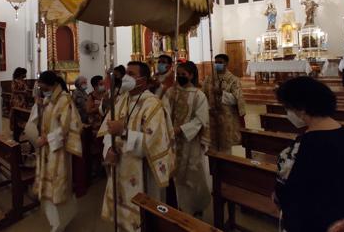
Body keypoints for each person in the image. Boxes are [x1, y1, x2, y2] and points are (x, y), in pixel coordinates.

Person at [274, 77, 344, 232]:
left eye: (287, 107)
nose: (287, 112)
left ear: (301, 108)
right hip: (339, 220)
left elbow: (287, 192)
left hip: (308, 222)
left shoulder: (301, 146)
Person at [98, 61, 174, 232]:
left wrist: (124, 132)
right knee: (121, 215)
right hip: (119, 164)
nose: (126, 77)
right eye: (126, 73)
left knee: (143, 219)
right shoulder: (121, 100)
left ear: (143, 80)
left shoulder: (153, 104)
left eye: (131, 74)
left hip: (142, 170)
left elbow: (154, 142)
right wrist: (108, 149)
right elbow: (107, 130)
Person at [26, 71, 83, 232]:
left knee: (58, 186)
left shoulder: (65, 100)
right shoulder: (47, 99)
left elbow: (69, 127)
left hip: (58, 150)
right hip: (46, 150)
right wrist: (38, 104)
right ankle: (55, 220)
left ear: (52, 85)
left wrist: (48, 139)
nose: (42, 91)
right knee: (48, 187)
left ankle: (60, 222)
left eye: (44, 88)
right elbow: (39, 120)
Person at [162, 61, 211, 216]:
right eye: (179, 74)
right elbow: (164, 112)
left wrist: (181, 129)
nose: (180, 77)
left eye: (184, 75)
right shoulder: (170, 92)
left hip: (190, 141)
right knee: (174, 175)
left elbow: (201, 118)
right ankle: (177, 206)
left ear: (191, 75)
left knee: (192, 175)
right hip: (172, 140)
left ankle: (194, 206)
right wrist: (169, 128)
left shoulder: (199, 95)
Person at [203, 54, 246, 153]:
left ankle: (225, 165)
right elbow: (203, 95)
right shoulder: (209, 79)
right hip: (211, 116)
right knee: (212, 145)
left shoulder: (233, 80)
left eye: (220, 62)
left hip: (226, 118)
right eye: (216, 62)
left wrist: (222, 93)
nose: (217, 64)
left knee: (225, 146)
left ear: (226, 63)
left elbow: (237, 99)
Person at [86, 75, 107, 177]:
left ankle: (104, 167)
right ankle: (97, 169)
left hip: (105, 124)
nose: (103, 86)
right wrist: (99, 108)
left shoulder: (106, 94)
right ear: (95, 86)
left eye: (103, 83)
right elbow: (88, 110)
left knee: (104, 147)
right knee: (96, 148)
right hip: (95, 126)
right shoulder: (91, 96)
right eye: (100, 84)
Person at [10, 67, 29, 133]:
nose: (25, 75)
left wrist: (26, 91)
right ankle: (14, 129)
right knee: (16, 114)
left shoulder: (23, 81)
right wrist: (23, 92)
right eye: (24, 74)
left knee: (22, 115)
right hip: (16, 100)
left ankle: (21, 128)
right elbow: (13, 90)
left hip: (23, 100)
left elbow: (26, 88)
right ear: (21, 74)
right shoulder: (15, 81)